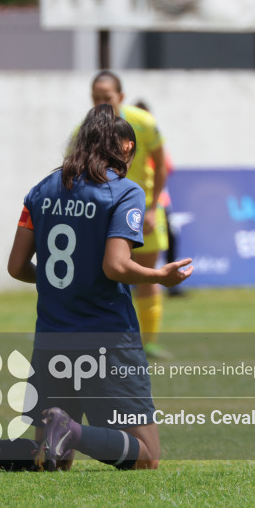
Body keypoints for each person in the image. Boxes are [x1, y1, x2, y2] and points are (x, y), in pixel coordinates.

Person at [0, 104, 192, 473]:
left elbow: (16, 267)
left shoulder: (41, 190)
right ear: (123, 147)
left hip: (53, 337)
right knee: (146, 457)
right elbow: (116, 265)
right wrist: (160, 278)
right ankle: (70, 430)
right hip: (107, 339)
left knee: (53, 459)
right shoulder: (124, 192)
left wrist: (64, 283)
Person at [90, 71, 172, 358]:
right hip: (105, 214)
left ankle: (147, 344)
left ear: (121, 97)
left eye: (107, 98)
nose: (101, 103)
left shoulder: (143, 123)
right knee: (106, 279)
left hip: (144, 209)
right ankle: (110, 343)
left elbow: (161, 165)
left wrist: (151, 208)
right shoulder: (85, 130)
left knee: (148, 277)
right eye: (96, 98)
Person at [133, 99, 186, 298]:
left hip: (157, 200)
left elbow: (167, 166)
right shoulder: (127, 143)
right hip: (135, 202)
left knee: (171, 238)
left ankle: (172, 284)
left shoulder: (153, 141)